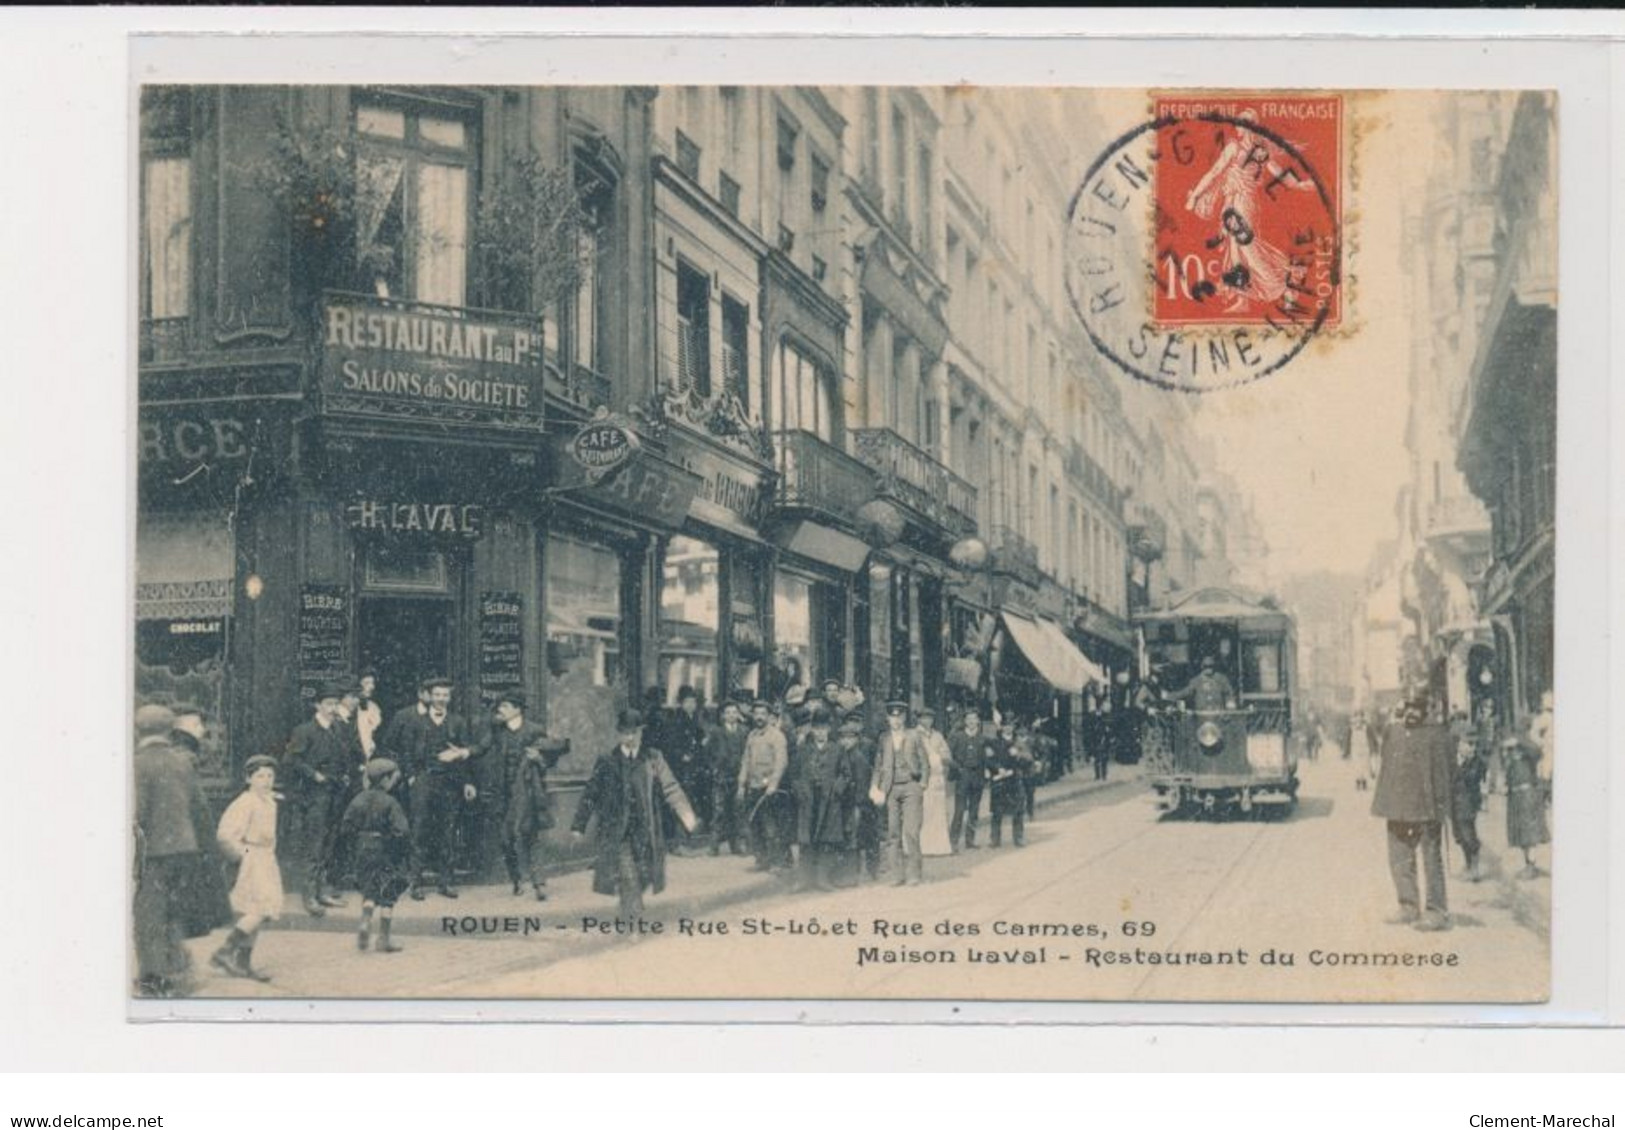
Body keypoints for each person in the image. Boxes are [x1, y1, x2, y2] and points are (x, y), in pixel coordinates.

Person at [570, 708, 697, 922]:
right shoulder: (607, 761)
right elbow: (590, 794)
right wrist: (577, 826)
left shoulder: (653, 759)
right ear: (619, 733)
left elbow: (671, 787)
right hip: (617, 832)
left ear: (641, 733)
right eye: (625, 733)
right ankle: (634, 922)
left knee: (645, 875)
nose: (629, 737)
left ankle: (628, 904)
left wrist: (686, 815)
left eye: (634, 733)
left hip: (646, 830)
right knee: (628, 875)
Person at [132, 704, 222, 998]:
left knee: (149, 917)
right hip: (185, 849)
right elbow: (199, 809)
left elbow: (136, 813)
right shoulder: (182, 761)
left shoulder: (138, 764)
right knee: (172, 913)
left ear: (139, 730)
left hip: (153, 854)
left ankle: (154, 979)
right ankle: (179, 970)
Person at [1371, 694, 1455, 931]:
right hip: (1397, 807)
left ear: (1427, 708)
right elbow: (1387, 766)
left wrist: (1443, 806)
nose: (1411, 712)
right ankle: (1407, 905)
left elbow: (1445, 772)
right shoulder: (1394, 733)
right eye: (1408, 706)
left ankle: (1436, 910)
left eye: (1417, 707)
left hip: (1426, 809)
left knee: (1431, 859)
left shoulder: (1436, 735)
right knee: (1399, 858)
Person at [399, 677, 478, 900]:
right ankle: (415, 882)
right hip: (424, 781)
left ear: (450, 698)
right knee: (419, 830)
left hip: (450, 783)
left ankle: (446, 882)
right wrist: (412, 777)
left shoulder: (457, 722)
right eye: (437, 695)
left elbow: (464, 755)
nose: (441, 699)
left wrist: (468, 782)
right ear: (430, 696)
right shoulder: (416, 721)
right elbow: (405, 752)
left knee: (448, 831)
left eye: (445, 695)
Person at [284, 684, 358, 917]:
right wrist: (313, 774)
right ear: (317, 705)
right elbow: (292, 760)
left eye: (336, 704)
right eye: (328, 704)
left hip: (336, 792)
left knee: (330, 842)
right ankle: (310, 895)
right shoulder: (305, 730)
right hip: (315, 794)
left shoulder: (339, 729)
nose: (333, 708)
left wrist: (346, 773)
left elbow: (348, 755)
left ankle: (323, 891)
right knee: (314, 844)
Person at [481, 692, 561, 901]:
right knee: (506, 840)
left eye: (505, 706)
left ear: (517, 709)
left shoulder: (534, 730)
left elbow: (552, 758)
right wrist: (464, 752)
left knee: (530, 836)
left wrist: (539, 758)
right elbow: (482, 746)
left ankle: (539, 883)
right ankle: (516, 879)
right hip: (504, 794)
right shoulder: (498, 730)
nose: (501, 710)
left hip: (527, 792)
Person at [211, 754, 284, 982]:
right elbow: (225, 834)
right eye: (260, 776)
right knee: (260, 910)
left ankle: (243, 963)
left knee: (259, 911)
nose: (266, 780)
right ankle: (224, 951)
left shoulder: (268, 801)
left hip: (266, 858)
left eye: (270, 775)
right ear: (249, 778)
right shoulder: (246, 803)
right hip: (253, 858)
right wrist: (243, 855)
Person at [340, 758, 412, 954]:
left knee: (369, 889)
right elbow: (402, 831)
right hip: (385, 849)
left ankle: (365, 920)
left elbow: (345, 827)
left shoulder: (358, 799)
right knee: (388, 892)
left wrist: (357, 842)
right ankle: (383, 939)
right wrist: (396, 846)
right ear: (385, 780)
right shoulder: (390, 802)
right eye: (393, 779)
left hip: (363, 849)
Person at [871, 700, 929, 886]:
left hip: (911, 786)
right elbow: (878, 766)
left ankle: (914, 874)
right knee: (893, 832)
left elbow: (924, 762)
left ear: (904, 718)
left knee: (911, 831)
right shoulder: (884, 738)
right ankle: (897, 875)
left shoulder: (914, 736)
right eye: (892, 717)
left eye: (899, 717)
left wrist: (923, 783)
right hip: (891, 789)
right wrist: (875, 787)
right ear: (888, 719)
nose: (896, 721)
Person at [736, 699, 790, 872]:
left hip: (769, 789)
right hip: (753, 786)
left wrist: (773, 784)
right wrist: (741, 784)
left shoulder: (776, 736)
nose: (759, 717)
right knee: (755, 825)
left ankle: (778, 862)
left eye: (763, 714)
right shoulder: (752, 735)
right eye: (756, 714)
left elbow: (781, 762)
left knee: (771, 826)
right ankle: (762, 860)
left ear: (769, 716)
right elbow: (746, 760)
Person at [661, 686, 712, 856]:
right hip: (680, 770)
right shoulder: (675, 721)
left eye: (693, 702)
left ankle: (687, 840)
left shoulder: (694, 720)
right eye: (687, 702)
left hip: (694, 769)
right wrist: (682, 755)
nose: (691, 705)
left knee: (690, 802)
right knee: (680, 803)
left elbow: (699, 740)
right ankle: (678, 842)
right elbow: (669, 746)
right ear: (681, 704)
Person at [1503, 729, 1550, 879]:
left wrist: (1520, 741)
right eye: (1512, 749)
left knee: (1530, 833)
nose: (1514, 752)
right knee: (1521, 834)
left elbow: (1537, 751)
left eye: (1516, 749)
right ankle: (1527, 865)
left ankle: (1532, 865)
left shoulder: (1530, 758)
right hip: (1516, 798)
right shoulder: (1511, 762)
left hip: (1527, 796)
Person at [706, 701, 749, 856]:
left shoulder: (744, 732)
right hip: (721, 778)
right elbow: (708, 754)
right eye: (728, 712)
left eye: (734, 712)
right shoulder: (716, 732)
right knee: (719, 811)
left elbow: (748, 754)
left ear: (738, 715)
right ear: (723, 716)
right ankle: (714, 845)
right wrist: (714, 770)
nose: (731, 715)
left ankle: (736, 844)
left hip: (738, 777)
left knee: (737, 810)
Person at [948, 710, 995, 850]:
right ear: (965, 721)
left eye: (974, 719)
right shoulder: (957, 737)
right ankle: (953, 841)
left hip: (978, 777)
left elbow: (990, 755)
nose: (971, 721)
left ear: (978, 721)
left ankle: (970, 840)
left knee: (974, 811)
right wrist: (958, 769)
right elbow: (948, 755)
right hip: (963, 776)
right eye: (968, 719)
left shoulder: (983, 739)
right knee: (959, 810)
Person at [1449, 720, 1487, 882]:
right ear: (1458, 744)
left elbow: (1472, 777)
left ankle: (1475, 868)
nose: (1471, 748)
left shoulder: (1476, 762)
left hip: (1468, 801)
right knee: (1458, 835)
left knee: (1468, 834)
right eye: (1468, 744)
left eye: (1474, 744)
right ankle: (1468, 864)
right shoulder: (1451, 759)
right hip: (1453, 803)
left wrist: (1465, 763)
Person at [987, 717, 1034, 848]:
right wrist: (997, 768)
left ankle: (1018, 837)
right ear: (1000, 727)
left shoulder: (1019, 743)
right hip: (999, 779)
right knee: (997, 811)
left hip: (1015, 779)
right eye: (1005, 725)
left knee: (1018, 810)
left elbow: (1029, 760)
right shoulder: (994, 742)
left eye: (1010, 725)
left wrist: (1018, 755)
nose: (1008, 728)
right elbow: (988, 759)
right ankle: (995, 839)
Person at [915, 706, 954, 858]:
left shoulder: (937, 736)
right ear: (919, 719)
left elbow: (946, 753)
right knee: (923, 811)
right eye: (924, 718)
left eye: (930, 718)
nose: (927, 721)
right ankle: (921, 846)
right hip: (922, 778)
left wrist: (941, 757)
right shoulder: (914, 735)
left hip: (937, 778)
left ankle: (937, 846)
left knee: (937, 812)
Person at [1169, 655, 1237, 712]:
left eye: (1211, 666)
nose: (1209, 669)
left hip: (1218, 713)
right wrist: (1169, 696)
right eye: (1206, 666)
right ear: (1202, 667)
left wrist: (1230, 702)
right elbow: (1186, 692)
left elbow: (1229, 692)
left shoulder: (1221, 679)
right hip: (1201, 715)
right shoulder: (1196, 681)